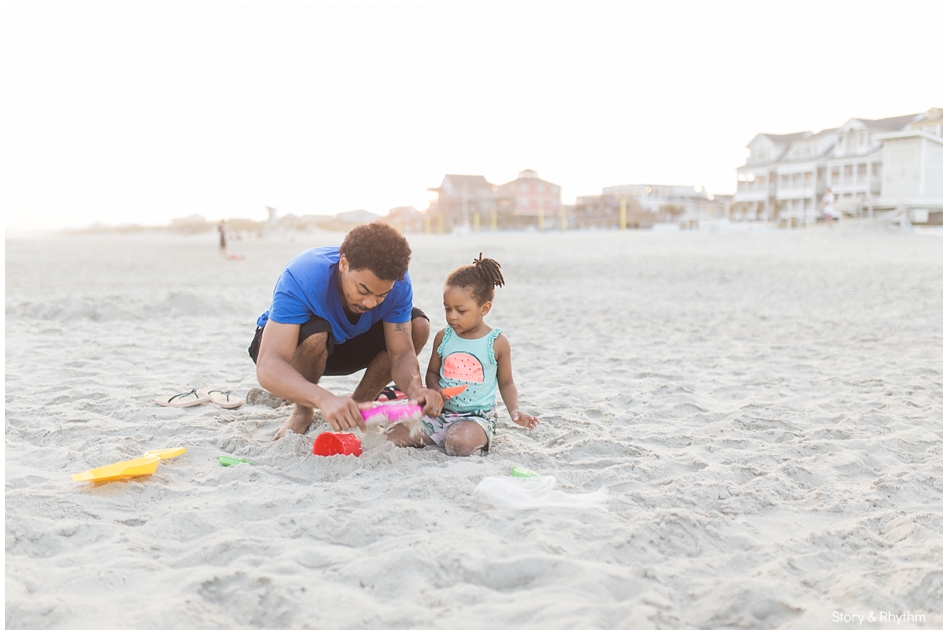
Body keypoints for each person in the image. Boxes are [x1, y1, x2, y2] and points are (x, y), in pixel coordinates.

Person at [248, 221, 443, 440]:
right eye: (363, 290)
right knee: (315, 335)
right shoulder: (303, 274)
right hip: (295, 348)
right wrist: (324, 399)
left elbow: (401, 353)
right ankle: (302, 411)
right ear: (343, 263)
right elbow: (268, 366)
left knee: (418, 325)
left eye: (381, 295)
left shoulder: (399, 284)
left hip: (347, 345)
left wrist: (415, 390)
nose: (370, 303)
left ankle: (358, 408)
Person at [386, 253, 540, 456]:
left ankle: (468, 440)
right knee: (392, 437)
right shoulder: (443, 337)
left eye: (461, 310)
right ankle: (438, 436)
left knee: (458, 443)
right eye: (447, 309)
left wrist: (514, 411)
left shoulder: (497, 343)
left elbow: (506, 383)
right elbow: (432, 373)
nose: (452, 316)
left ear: (484, 308)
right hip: (441, 414)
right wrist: (436, 390)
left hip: (476, 417)